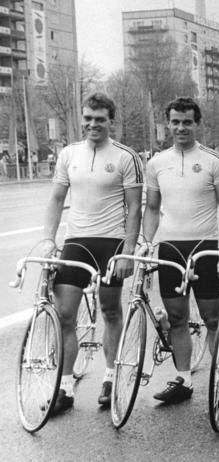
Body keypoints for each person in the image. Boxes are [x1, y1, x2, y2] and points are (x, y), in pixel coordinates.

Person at [42, 92, 143, 413]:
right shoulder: (69, 154)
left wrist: (128, 250)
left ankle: (110, 377)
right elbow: (57, 199)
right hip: (76, 243)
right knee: (65, 315)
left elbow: (135, 207)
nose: (92, 124)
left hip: (110, 245)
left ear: (110, 121)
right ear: (81, 119)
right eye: (87, 118)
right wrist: (48, 239)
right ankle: (65, 388)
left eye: (99, 119)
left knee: (111, 312)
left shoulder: (126, 156)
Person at [142, 97, 219, 404]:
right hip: (169, 249)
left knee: (211, 318)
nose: (181, 127)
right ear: (168, 123)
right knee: (177, 318)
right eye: (176, 122)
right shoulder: (156, 163)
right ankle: (183, 379)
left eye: (187, 122)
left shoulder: (213, 161)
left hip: (204, 247)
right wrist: (147, 241)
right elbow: (152, 208)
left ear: (198, 124)